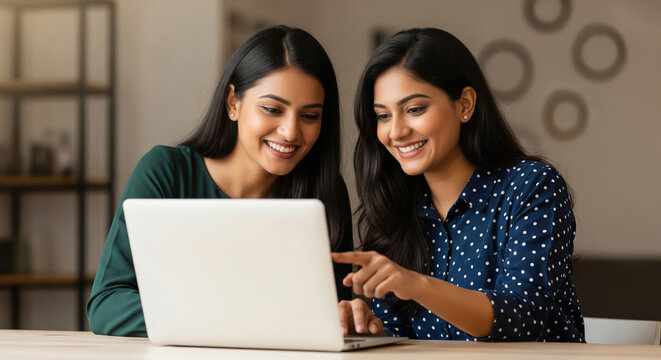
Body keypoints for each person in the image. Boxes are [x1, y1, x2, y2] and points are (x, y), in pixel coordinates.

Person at [87, 25, 353, 337]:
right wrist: (236, 323)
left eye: (309, 116)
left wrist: (350, 316)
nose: (291, 131)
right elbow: (107, 304)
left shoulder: (325, 192)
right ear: (233, 103)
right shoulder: (166, 173)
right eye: (272, 109)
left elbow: (330, 318)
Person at [333, 28, 584, 342]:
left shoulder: (530, 186)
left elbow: (524, 317)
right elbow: (402, 339)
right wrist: (367, 330)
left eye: (414, 109)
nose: (395, 132)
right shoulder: (400, 208)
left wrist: (416, 284)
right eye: (383, 116)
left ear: (464, 104)